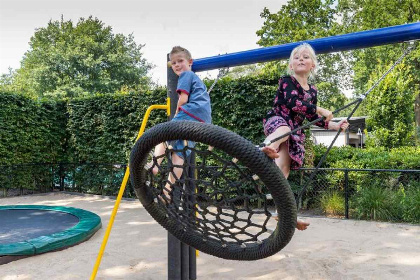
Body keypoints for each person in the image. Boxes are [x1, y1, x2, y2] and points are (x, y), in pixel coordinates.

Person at [261, 43, 349, 230]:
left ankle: (283, 213)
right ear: (291, 65)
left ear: (313, 65)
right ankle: (265, 148)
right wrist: (320, 108)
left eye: (306, 57)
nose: (301, 59)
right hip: (278, 121)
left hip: (294, 132)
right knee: (283, 131)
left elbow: (312, 118)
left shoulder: (313, 90)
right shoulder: (287, 81)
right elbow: (293, 103)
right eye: (296, 57)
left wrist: (335, 125)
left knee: (282, 171)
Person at [149, 46, 212, 203]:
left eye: (180, 61)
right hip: (202, 121)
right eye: (173, 63)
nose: (177, 65)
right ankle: (167, 190)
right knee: (180, 155)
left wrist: (177, 114)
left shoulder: (186, 74)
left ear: (190, 62)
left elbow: (183, 98)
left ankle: (154, 165)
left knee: (163, 134)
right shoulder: (197, 80)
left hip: (190, 112)